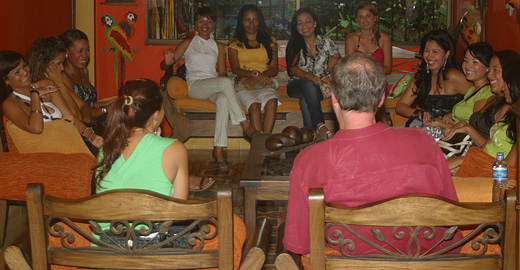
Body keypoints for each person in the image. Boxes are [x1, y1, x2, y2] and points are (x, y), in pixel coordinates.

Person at [284, 53, 460, 259]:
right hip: (428, 261)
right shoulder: (424, 142)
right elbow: (451, 219)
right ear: (382, 99)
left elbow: (302, 246)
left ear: (334, 98)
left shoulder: (309, 161)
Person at [162, 7, 257, 169]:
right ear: (196, 24)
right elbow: (164, 65)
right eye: (201, 21)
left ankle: (218, 149)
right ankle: (245, 125)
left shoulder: (219, 46)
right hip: (194, 85)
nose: (205, 25)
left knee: (222, 98)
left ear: (214, 24)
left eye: (209, 21)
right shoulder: (188, 43)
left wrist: (226, 89)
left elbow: (221, 73)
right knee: (224, 83)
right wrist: (168, 62)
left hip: (213, 86)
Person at [0, 50, 103, 149]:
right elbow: (36, 128)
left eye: (24, 65)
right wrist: (35, 95)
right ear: (6, 81)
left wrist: (90, 135)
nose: (25, 72)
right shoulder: (9, 104)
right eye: (16, 72)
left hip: (72, 142)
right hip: (47, 153)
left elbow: (69, 117)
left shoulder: (46, 84)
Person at [448, 57, 520, 171]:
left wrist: (463, 161)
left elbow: (508, 170)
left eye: (506, 82)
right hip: (480, 162)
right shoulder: (510, 113)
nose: (503, 87)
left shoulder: (515, 117)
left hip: (491, 173)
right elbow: (484, 148)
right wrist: (465, 160)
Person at [396, 30, 473, 126]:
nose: (429, 56)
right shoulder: (421, 77)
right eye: (426, 51)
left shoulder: (453, 76)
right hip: (427, 128)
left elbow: (481, 99)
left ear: (447, 54)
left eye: (435, 52)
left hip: (451, 129)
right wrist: (418, 112)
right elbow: (400, 106)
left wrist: (455, 115)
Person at [443, 50, 519, 147]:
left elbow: (492, 149)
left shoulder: (508, 107)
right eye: (489, 70)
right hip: (466, 148)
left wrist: (468, 128)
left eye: (496, 70)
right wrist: (462, 123)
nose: (490, 75)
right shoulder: (492, 99)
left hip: (474, 154)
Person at [285, 7, 340, 133]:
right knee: (309, 86)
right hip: (297, 85)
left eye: (307, 21)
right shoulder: (294, 44)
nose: (304, 26)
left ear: (314, 23)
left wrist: (335, 59)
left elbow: (339, 59)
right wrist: (310, 76)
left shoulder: (326, 42)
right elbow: (293, 69)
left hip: (320, 88)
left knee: (306, 99)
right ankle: (320, 124)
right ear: (296, 27)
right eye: (300, 23)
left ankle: (310, 135)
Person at [228, 4, 279, 135]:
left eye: (255, 19)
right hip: (244, 83)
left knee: (272, 102)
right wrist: (255, 75)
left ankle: (265, 143)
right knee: (254, 105)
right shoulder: (234, 44)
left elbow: (274, 69)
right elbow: (236, 69)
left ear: (260, 21)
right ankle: (260, 145)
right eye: (247, 20)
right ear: (241, 22)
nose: (251, 23)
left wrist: (259, 76)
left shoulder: (269, 42)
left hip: (264, 81)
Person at [428, 42, 494, 131]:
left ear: (487, 67)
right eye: (466, 60)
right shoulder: (472, 90)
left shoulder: (486, 93)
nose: (468, 66)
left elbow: (474, 128)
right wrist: (451, 116)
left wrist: (440, 124)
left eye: (475, 62)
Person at [345, 1, 391, 124]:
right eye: (361, 17)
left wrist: (371, 73)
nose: (365, 20)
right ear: (357, 20)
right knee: (362, 92)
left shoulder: (384, 38)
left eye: (368, 16)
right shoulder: (351, 40)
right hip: (357, 83)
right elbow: (349, 68)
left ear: (375, 18)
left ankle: (383, 124)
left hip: (377, 83)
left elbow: (388, 68)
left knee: (375, 91)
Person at [59, 29, 111, 124]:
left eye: (87, 50)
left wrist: (113, 102)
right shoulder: (63, 77)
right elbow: (78, 113)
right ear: (66, 52)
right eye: (80, 51)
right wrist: (106, 108)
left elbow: (90, 104)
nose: (85, 55)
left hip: (94, 121)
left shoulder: (84, 71)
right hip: (82, 126)